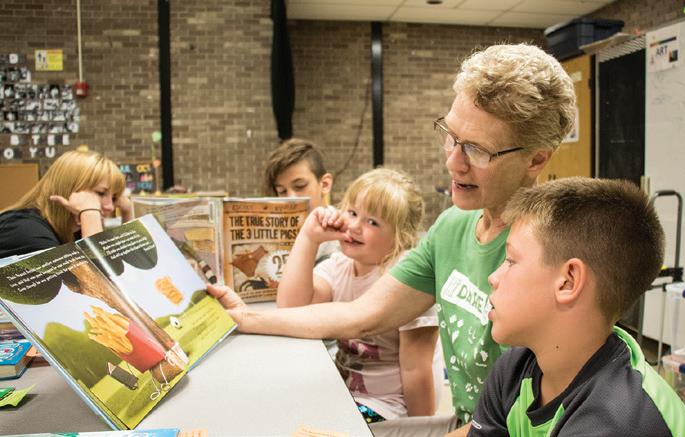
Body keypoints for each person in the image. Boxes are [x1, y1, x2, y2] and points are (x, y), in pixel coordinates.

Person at [208, 43, 576, 434]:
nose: (453, 162)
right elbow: (362, 314)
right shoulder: (452, 227)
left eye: (477, 150)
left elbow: (513, 427)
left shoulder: (544, 255)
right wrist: (244, 319)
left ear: (536, 159)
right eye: (451, 137)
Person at [468, 177, 685, 436]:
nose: (493, 277)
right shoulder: (513, 371)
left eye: (511, 260)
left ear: (569, 281)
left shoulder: (619, 419)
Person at [271, 168, 442, 422]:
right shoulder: (339, 265)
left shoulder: (407, 280)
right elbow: (291, 310)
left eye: (372, 222)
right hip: (345, 395)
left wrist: (419, 429)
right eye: (352, 213)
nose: (354, 226)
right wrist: (309, 238)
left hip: (388, 407)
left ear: (401, 236)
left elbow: (415, 368)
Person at [0, 149, 132, 258]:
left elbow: (126, 269)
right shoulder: (25, 229)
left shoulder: (75, 230)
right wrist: (90, 213)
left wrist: (127, 213)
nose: (110, 207)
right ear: (69, 189)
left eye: (114, 198)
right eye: (101, 193)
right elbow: (98, 278)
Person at [263, 137, 337, 263]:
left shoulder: (343, 237)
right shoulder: (273, 234)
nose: (290, 199)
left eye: (300, 186)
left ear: (324, 184)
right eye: (282, 191)